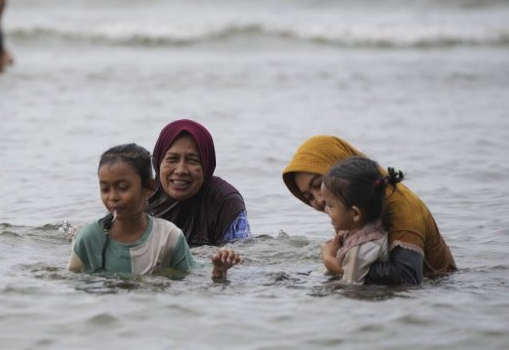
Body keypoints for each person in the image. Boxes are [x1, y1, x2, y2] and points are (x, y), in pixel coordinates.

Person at [282, 135, 456, 285]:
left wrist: (334, 264)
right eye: (309, 197)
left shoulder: (402, 207)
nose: (319, 200)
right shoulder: (353, 209)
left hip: (442, 288)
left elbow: (407, 277)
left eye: (318, 184)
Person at [69, 143, 242, 279]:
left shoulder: (169, 237)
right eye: (105, 189)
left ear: (149, 188)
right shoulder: (88, 239)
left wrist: (219, 270)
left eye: (123, 187)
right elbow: (74, 288)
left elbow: (193, 280)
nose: (113, 197)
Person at [148, 119, 251, 246]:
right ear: (158, 162)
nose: (181, 170)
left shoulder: (226, 203)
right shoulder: (141, 198)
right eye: (172, 159)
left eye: (192, 160)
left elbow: (241, 258)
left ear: (207, 165)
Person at [319, 157, 401, 284]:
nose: (325, 209)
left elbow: (350, 286)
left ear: (355, 213)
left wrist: (328, 259)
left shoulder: (362, 249)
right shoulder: (356, 229)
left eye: (330, 206)